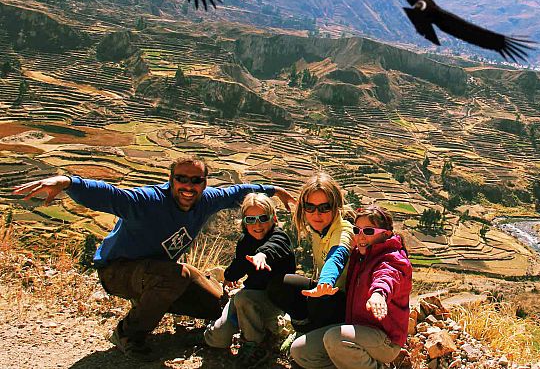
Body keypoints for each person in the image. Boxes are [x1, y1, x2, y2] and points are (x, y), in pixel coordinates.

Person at [12, 156, 294, 362]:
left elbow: (235, 192)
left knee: (217, 303)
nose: (188, 186)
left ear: (204, 184)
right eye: (181, 179)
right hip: (117, 270)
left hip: (161, 271)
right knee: (174, 276)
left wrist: (272, 190)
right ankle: (128, 333)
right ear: (171, 179)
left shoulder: (205, 200)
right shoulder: (148, 201)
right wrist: (68, 182)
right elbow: (110, 195)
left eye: (196, 181)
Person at [291, 204, 412, 369]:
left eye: (368, 231)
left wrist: (378, 294)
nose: (361, 237)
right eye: (357, 230)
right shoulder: (358, 256)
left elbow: (387, 276)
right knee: (301, 351)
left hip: (386, 340)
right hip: (357, 331)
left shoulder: (393, 259)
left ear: (386, 234)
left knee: (336, 338)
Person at [203, 192, 296, 367]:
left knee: (243, 298)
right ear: (244, 222)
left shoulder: (279, 237)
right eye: (251, 219)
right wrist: (229, 276)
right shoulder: (244, 241)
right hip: (248, 300)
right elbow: (239, 265)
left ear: (273, 218)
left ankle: (254, 345)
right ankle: (208, 329)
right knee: (217, 338)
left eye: (262, 218)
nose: (257, 224)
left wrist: (262, 254)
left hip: (273, 301)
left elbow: (274, 247)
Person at [267, 171, 354, 337]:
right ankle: (303, 329)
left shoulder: (343, 230)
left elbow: (338, 255)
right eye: (310, 207)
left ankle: (317, 336)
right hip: (325, 291)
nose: (316, 214)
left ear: (335, 206)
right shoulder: (318, 229)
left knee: (318, 300)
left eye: (324, 207)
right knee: (279, 286)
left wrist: (326, 281)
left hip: (342, 301)